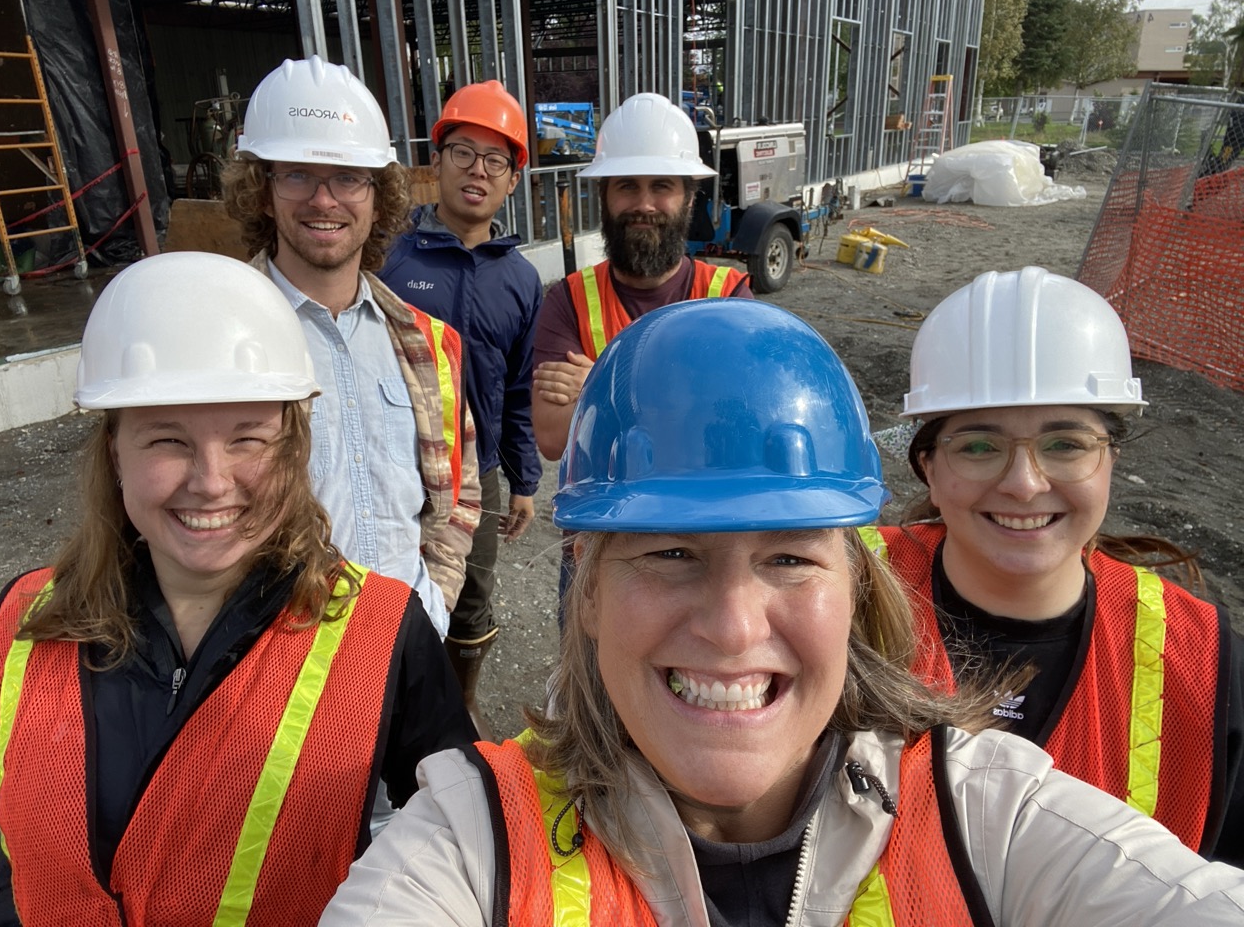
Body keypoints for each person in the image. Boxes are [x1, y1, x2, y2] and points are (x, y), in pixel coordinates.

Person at [320, 298, 1244, 926]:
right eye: (671, 554)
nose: (733, 627)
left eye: (791, 559)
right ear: (586, 590)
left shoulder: (990, 817)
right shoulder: (471, 838)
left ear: (857, 588)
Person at [0, 252, 476, 926]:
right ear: (114, 452)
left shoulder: (383, 634)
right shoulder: (24, 623)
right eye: (168, 440)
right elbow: (22, 859)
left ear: (293, 449)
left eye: (247, 440)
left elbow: (460, 852)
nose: (211, 483)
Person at [860, 266, 1244, 866]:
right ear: (929, 468)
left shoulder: (1205, 666)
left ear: (1110, 460)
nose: (1024, 484)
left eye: (1065, 444)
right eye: (979, 446)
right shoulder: (840, 589)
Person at [222, 56, 480, 641]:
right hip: (277, 659)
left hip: (405, 643)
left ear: (377, 195)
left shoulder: (427, 344)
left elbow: (460, 491)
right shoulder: (218, 339)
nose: (324, 200)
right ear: (262, 191)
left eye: (347, 177)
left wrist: (434, 605)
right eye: (297, 175)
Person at [379, 80, 542, 740]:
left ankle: (459, 704)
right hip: (395, 460)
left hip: (480, 472)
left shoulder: (520, 280)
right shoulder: (390, 259)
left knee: (472, 593)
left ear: (512, 180)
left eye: (495, 160)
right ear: (437, 161)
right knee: (386, 587)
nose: (478, 170)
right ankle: (380, 708)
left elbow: (520, 387)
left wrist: (524, 478)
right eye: (464, 153)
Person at [531, 91, 753, 463]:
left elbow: (744, 423)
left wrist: (600, 387)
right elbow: (553, 437)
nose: (644, 204)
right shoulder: (568, 301)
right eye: (627, 185)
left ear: (689, 199)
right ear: (604, 196)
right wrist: (692, 395)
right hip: (605, 501)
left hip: (703, 497)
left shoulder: (730, 298)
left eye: (661, 185)